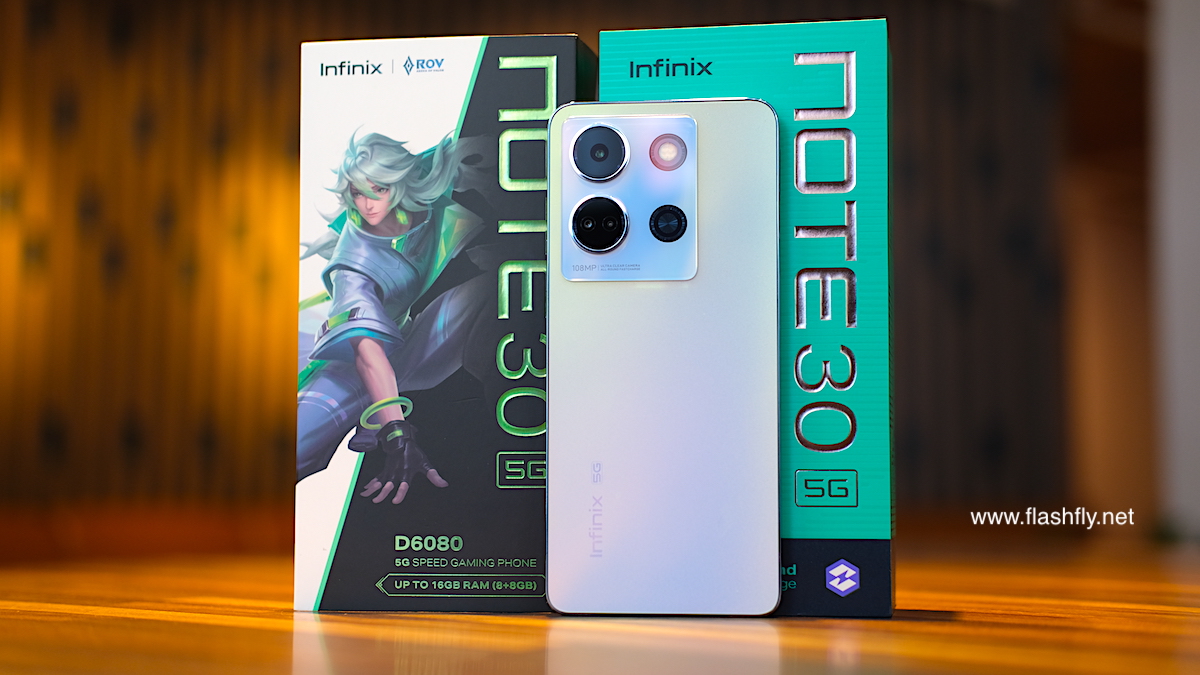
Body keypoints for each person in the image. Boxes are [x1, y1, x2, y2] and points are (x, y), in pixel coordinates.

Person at [297, 131, 488, 505]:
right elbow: (366, 352)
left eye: (377, 190)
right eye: (357, 193)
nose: (367, 204)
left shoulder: (423, 180)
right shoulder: (355, 263)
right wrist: (396, 433)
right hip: (343, 356)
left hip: (406, 336)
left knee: (494, 285)